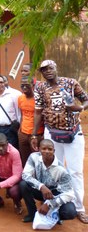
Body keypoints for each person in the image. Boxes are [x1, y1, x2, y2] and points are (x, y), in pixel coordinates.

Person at [31, 59, 88, 224]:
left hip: (72, 134)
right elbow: (38, 111)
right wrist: (35, 135)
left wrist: (80, 108)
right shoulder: (40, 87)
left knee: (75, 171)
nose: (47, 71)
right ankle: (53, 204)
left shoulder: (71, 83)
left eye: (50, 68)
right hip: (51, 134)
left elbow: (86, 99)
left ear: (56, 67)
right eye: (43, 70)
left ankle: (79, 208)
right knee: (52, 169)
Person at [20, 139, 77, 223]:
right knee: (23, 185)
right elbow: (25, 175)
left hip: (55, 195)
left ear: (54, 151)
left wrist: (49, 204)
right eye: (44, 149)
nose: (47, 151)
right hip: (40, 191)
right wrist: (41, 186)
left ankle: (55, 215)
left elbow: (69, 194)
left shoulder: (61, 169)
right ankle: (32, 214)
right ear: (39, 149)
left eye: (50, 149)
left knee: (70, 212)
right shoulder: (33, 157)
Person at [18, 76, 43, 166]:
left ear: (33, 85)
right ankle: (27, 178)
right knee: (25, 159)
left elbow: (42, 117)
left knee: (38, 159)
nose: (24, 88)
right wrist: (20, 130)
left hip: (37, 134)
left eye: (27, 85)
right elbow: (22, 114)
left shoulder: (39, 99)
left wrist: (36, 135)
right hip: (23, 134)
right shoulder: (20, 98)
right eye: (22, 85)